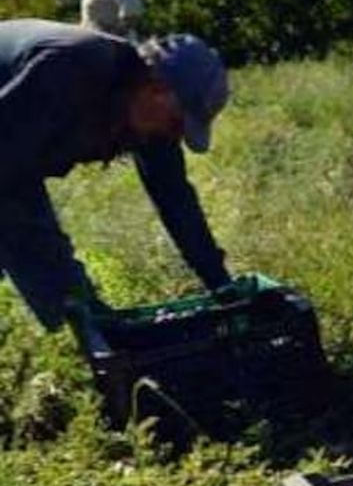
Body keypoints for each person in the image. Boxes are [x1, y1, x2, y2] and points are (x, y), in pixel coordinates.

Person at [0, 19, 232, 333]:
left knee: (60, 283)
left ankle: (85, 335)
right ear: (156, 87)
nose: (173, 136)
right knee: (32, 240)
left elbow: (175, 200)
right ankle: (79, 340)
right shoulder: (72, 68)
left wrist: (220, 284)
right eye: (177, 123)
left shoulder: (149, 117)